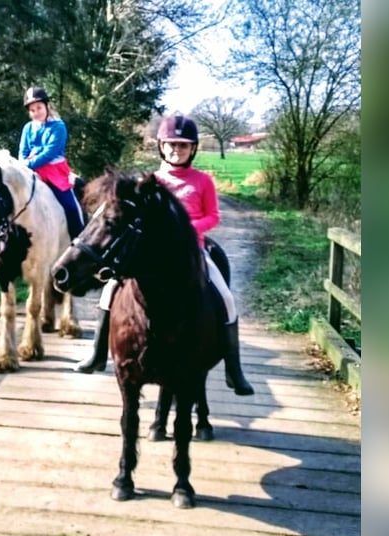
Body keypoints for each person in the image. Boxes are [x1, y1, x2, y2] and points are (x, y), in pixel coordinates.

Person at [74, 113, 254, 396]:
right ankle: (97, 353)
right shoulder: (151, 181)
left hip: (192, 249)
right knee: (110, 290)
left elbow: (213, 216)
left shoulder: (203, 181)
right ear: (161, 146)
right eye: (170, 144)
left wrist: (188, 229)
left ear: (192, 149)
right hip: (153, 253)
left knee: (226, 298)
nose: (176, 150)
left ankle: (234, 368)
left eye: (182, 145)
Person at [18, 86, 85, 240]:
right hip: (31, 172)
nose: (36, 112)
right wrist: (24, 165)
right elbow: (22, 152)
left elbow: (50, 153)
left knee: (70, 207)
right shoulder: (28, 128)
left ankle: (79, 239)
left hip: (54, 173)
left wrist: (26, 164)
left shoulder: (58, 126)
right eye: (32, 110)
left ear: (47, 106)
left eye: (39, 108)